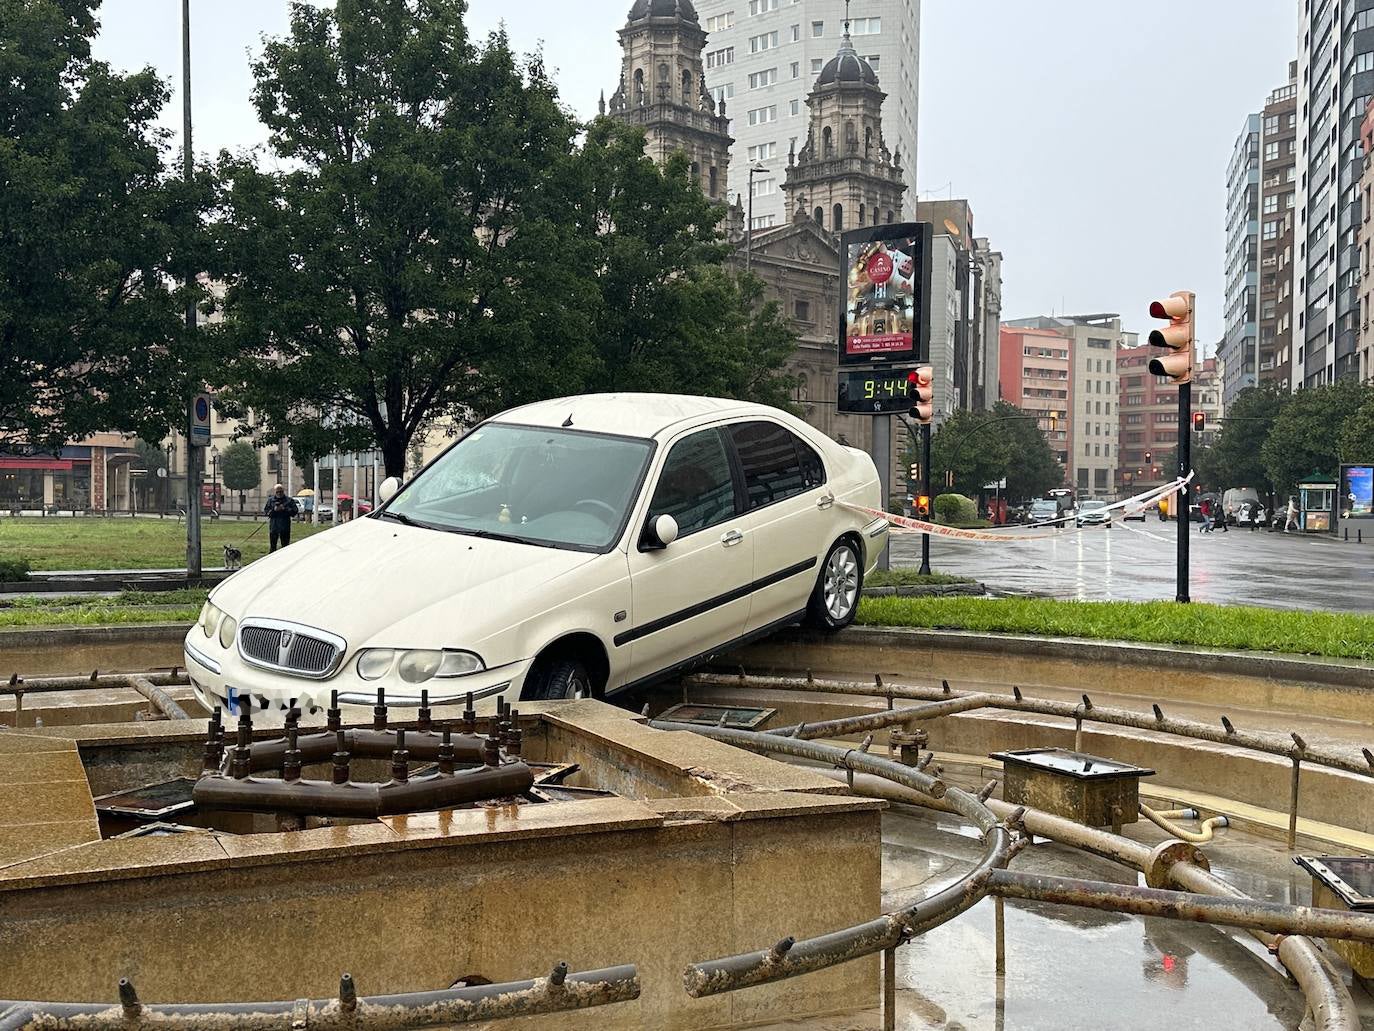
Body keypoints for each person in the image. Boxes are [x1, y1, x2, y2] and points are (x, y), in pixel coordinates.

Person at [264, 484, 300, 552]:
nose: (279, 493)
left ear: (283, 491)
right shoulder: (271, 500)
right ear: (275, 492)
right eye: (277, 492)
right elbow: (266, 512)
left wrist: (285, 508)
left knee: (285, 547)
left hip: (285, 526)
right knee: (273, 547)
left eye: (281, 491)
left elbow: (294, 512)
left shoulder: (289, 500)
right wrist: (274, 510)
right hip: (274, 526)